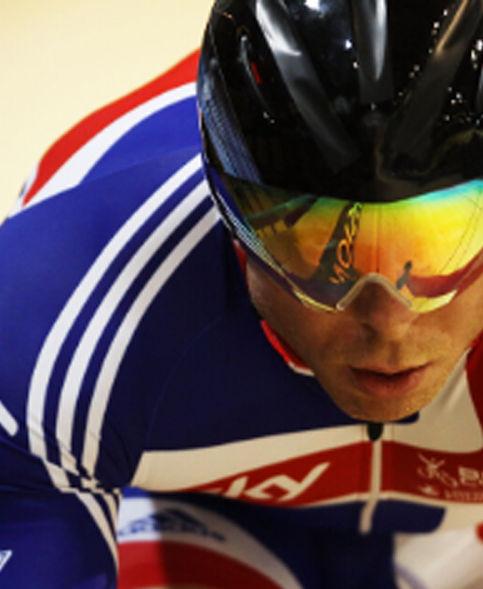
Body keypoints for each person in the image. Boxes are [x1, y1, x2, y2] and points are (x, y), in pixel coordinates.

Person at [1, 0, 483, 587]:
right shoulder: (59, 323)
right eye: (323, 249)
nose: (388, 319)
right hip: (211, 521)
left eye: (443, 241)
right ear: (228, 216)